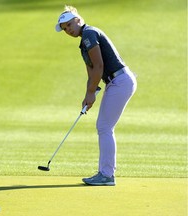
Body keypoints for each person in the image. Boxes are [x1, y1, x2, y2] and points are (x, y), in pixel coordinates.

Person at [55, 5, 137, 186]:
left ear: (78, 20)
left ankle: (107, 175)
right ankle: (105, 174)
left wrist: (92, 92)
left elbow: (99, 66)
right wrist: (88, 94)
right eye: (65, 28)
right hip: (116, 82)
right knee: (104, 126)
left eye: (69, 25)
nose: (68, 30)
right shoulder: (83, 42)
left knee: (104, 126)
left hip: (120, 81)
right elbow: (92, 73)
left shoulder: (89, 34)